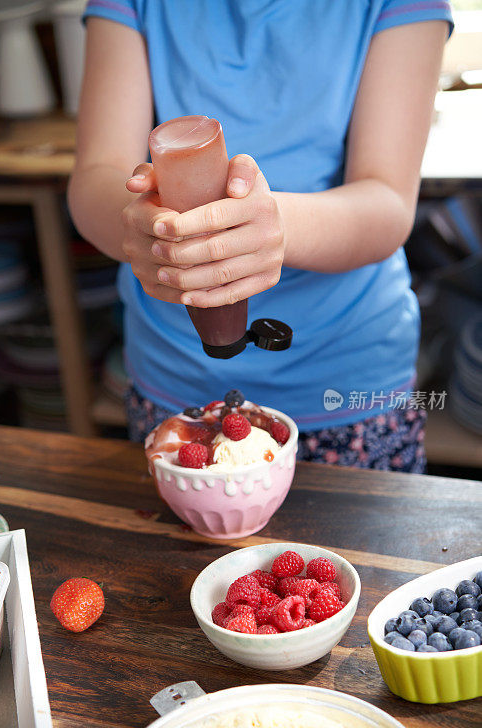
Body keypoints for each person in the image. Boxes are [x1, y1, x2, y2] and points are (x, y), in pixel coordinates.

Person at [69, 0, 452, 472]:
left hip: (346, 383)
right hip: (175, 376)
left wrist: (273, 226)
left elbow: (388, 203)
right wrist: (150, 232)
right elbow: (94, 180)